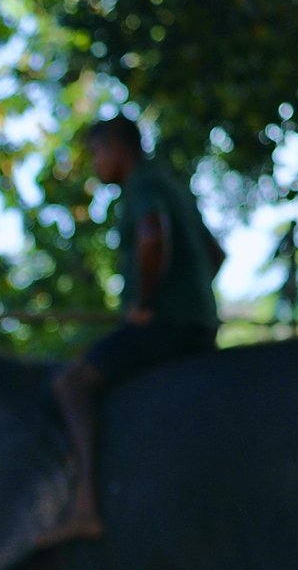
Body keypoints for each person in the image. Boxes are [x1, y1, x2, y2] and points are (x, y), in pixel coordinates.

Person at [46, 113, 227, 543]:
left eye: (96, 153)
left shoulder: (141, 185)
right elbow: (216, 255)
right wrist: (189, 293)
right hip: (198, 325)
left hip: (166, 327)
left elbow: (151, 235)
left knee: (71, 385)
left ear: (117, 149)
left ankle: (85, 504)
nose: (95, 165)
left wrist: (146, 303)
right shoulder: (171, 183)